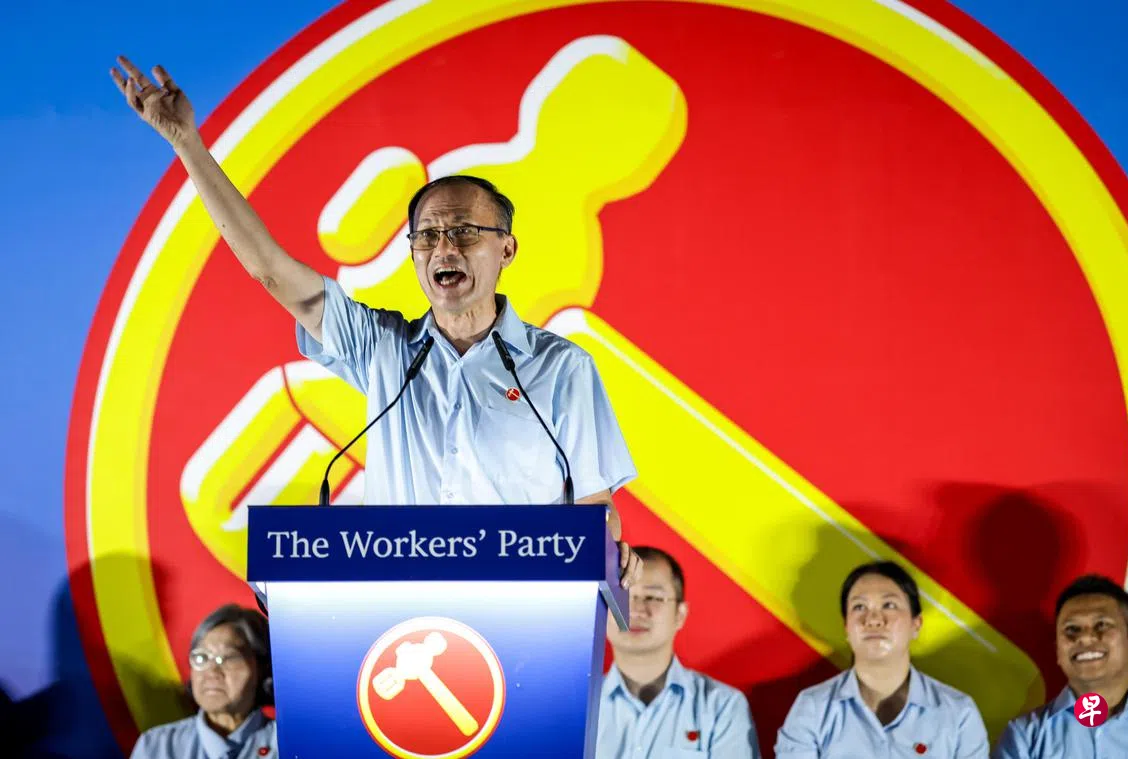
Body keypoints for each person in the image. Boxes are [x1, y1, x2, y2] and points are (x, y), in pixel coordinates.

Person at [109, 57, 640, 586]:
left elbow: (595, 509)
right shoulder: (383, 349)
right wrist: (187, 144)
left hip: (526, 615)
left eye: (463, 231)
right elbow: (271, 270)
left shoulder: (561, 368)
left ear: (506, 249)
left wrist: (610, 559)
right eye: (427, 236)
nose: (443, 248)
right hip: (400, 616)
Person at [775, 561, 988, 758]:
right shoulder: (813, 708)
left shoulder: (958, 713)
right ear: (846, 627)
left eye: (889, 605)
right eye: (859, 607)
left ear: (916, 624)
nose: (874, 619)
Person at [597, 546, 759, 757]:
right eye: (621, 596)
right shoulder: (574, 707)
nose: (634, 610)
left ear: (680, 614)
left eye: (652, 597)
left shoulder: (721, 706)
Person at [993, 574, 1128, 758]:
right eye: (1071, 629)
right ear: (1058, 651)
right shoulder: (1025, 736)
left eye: (1102, 625)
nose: (1085, 637)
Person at [130, 604, 276, 759]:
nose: (211, 671)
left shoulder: (285, 743)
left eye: (229, 657)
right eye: (201, 657)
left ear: (262, 667)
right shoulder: (157, 746)